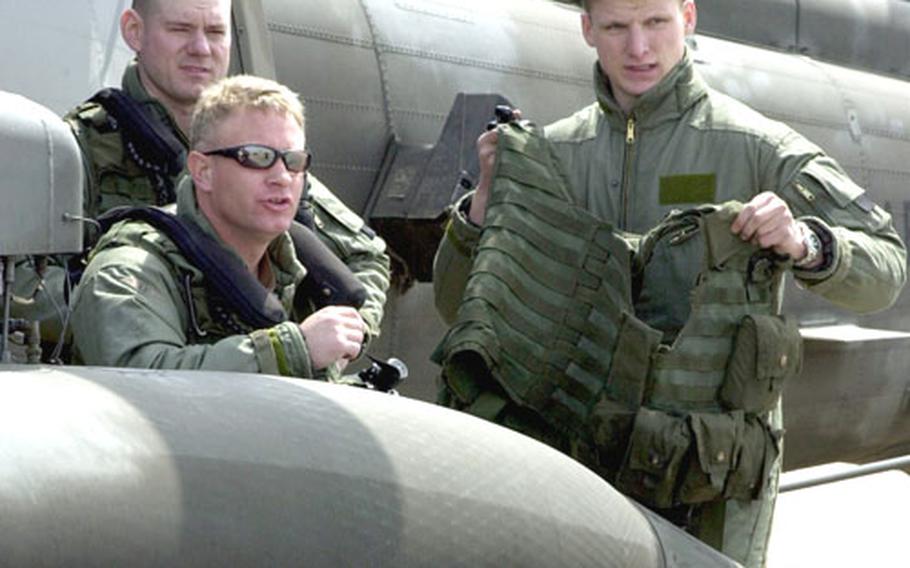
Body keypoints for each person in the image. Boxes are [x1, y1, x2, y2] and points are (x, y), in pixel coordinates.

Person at [431, 0, 907, 566]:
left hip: (707, 480)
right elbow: (458, 306)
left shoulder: (756, 147)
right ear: (587, 29)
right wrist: (484, 206)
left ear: (688, 17)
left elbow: (885, 273)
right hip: (581, 457)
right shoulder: (553, 157)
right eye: (616, 27)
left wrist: (806, 242)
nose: (638, 48)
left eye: (655, 23)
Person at [12, 0, 389, 358]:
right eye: (180, 29)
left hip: (266, 387)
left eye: (215, 32)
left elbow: (366, 258)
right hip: (132, 386)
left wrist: (334, 344)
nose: (201, 48)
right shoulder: (80, 148)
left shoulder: (266, 151)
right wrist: (139, 307)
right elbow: (19, 288)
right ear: (133, 31)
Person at [70, 74, 367, 380]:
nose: (281, 177)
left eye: (292, 160)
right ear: (203, 171)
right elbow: (144, 381)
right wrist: (293, 351)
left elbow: (371, 258)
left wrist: (344, 340)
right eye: (257, 157)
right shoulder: (129, 269)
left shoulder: (293, 269)